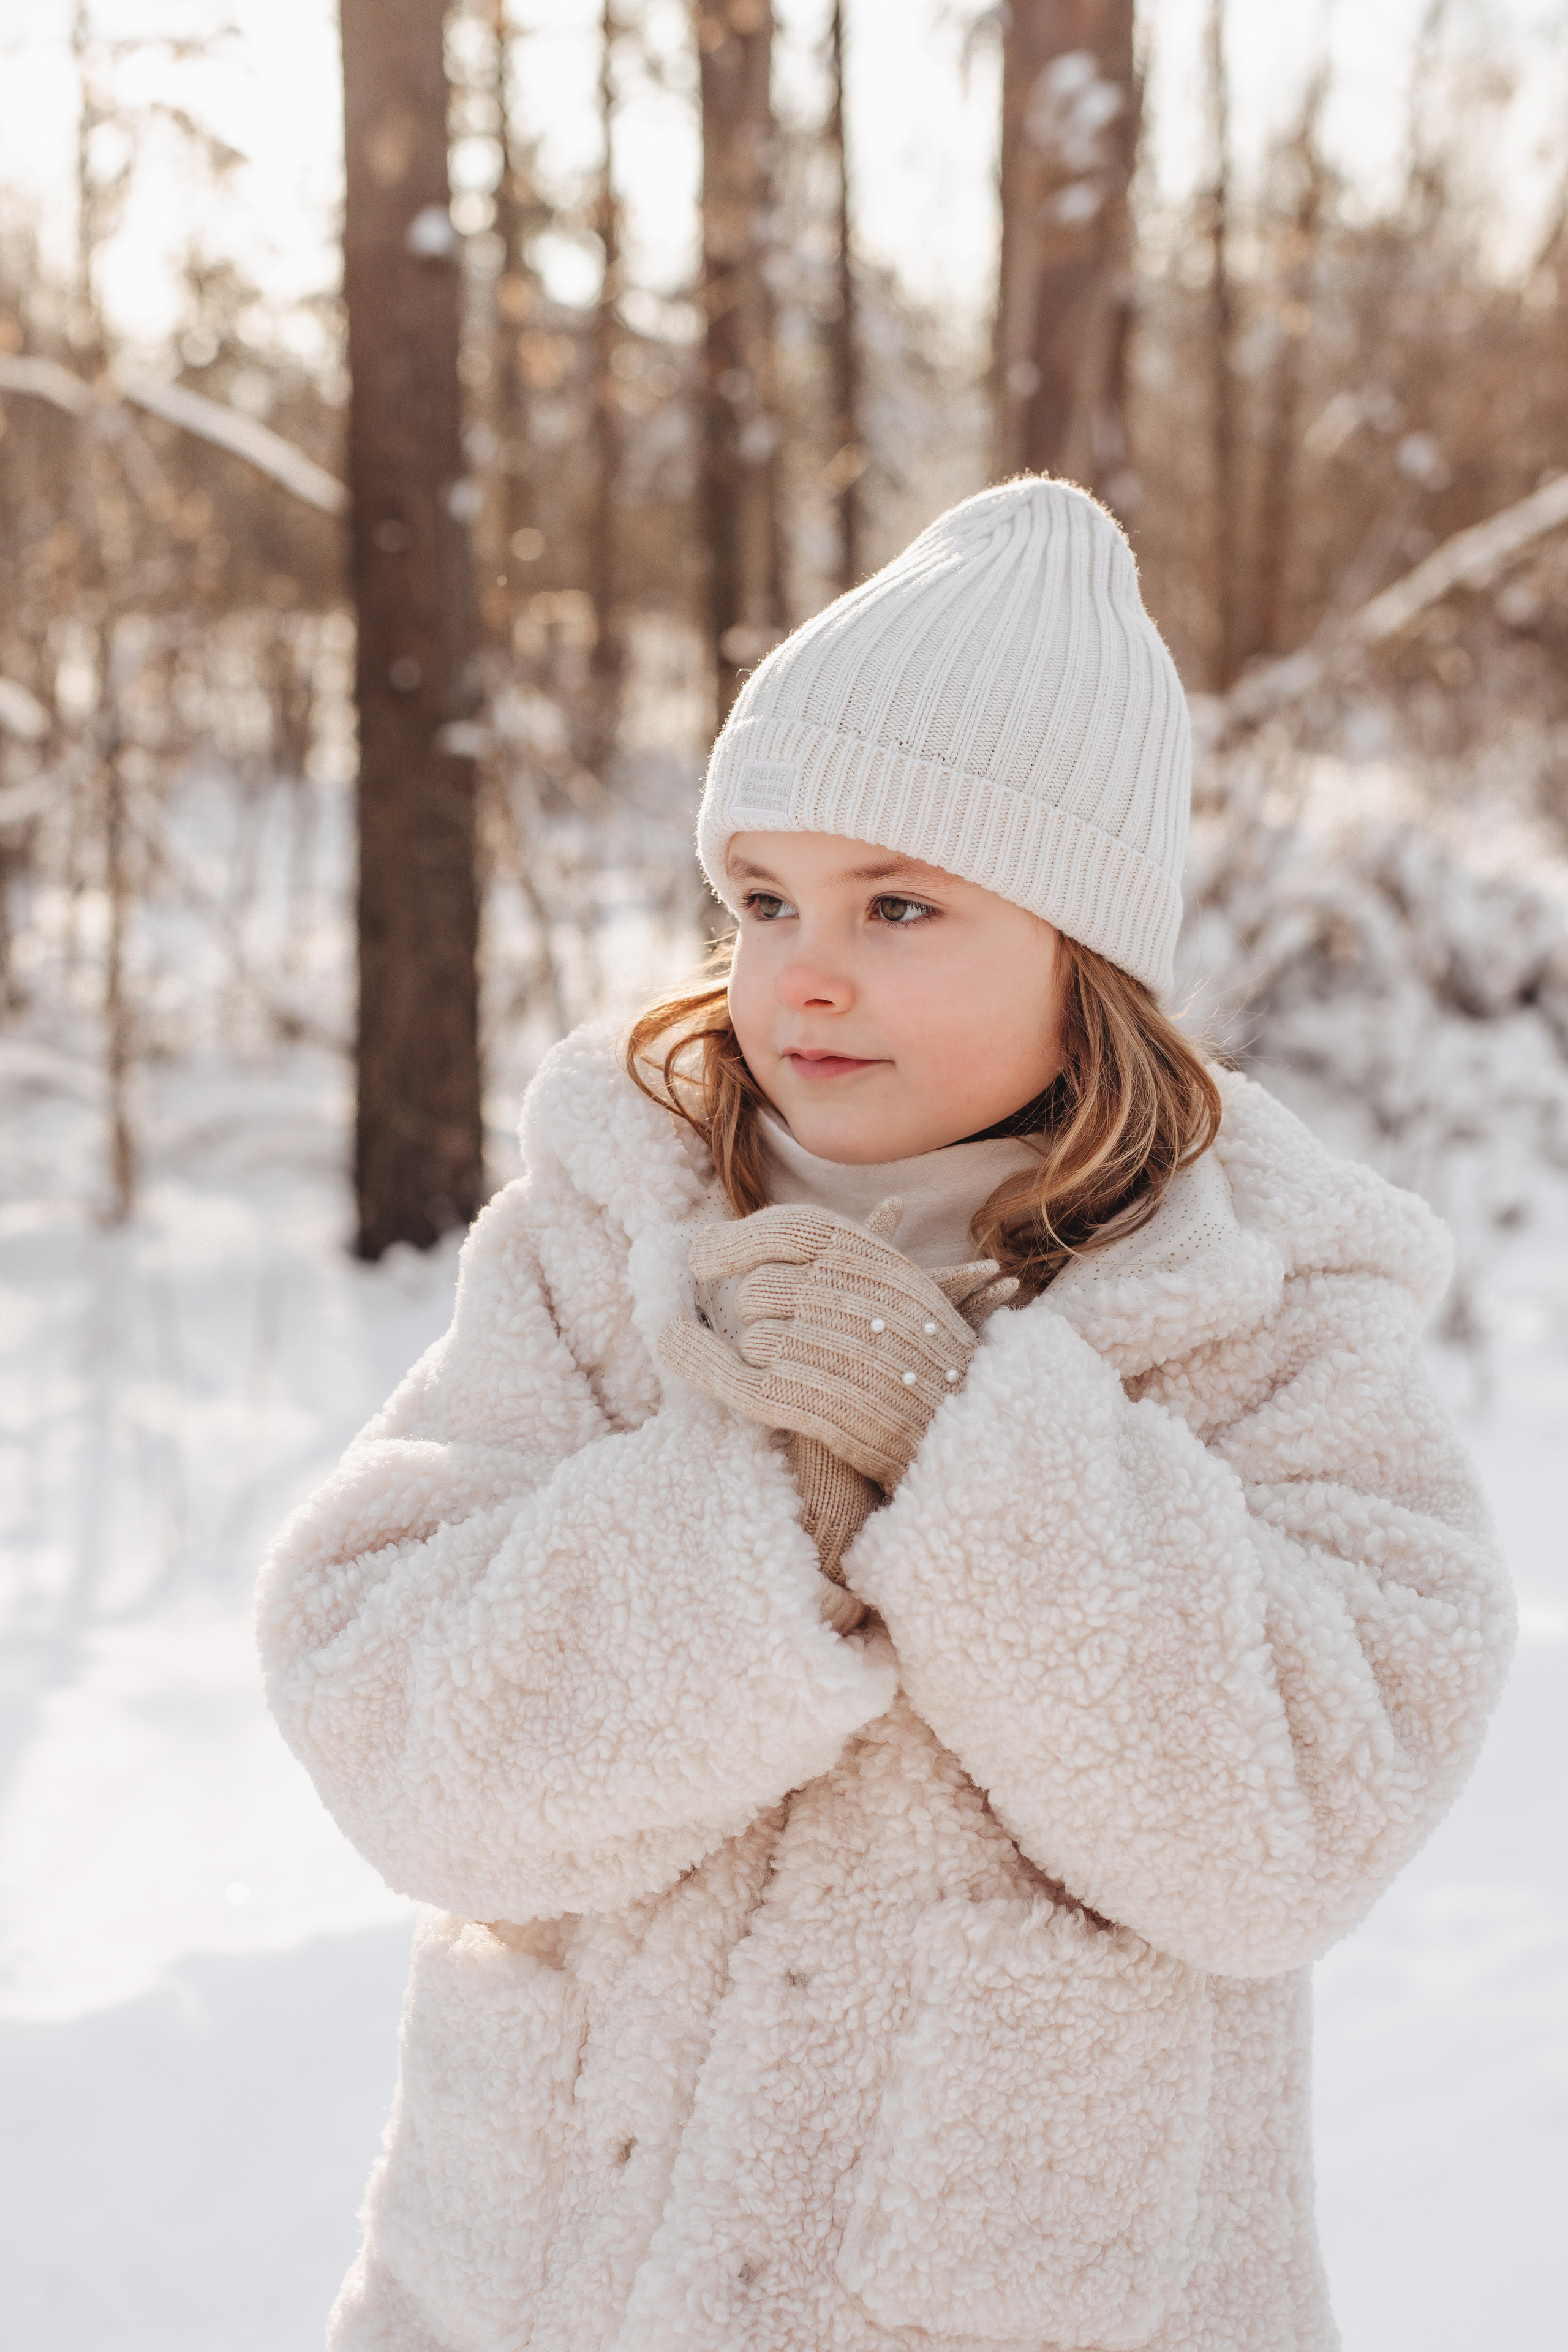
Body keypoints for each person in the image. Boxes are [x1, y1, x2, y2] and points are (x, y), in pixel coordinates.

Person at [258, 478, 1513, 2352]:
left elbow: (1295, 1824)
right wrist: (761, 1516)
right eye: (762, 898)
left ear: (1086, 956)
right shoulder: (603, 1246)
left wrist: (971, 1464)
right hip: (543, 2286)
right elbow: (383, 1717)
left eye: (899, 903)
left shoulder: (1272, 1312)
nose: (802, 971)